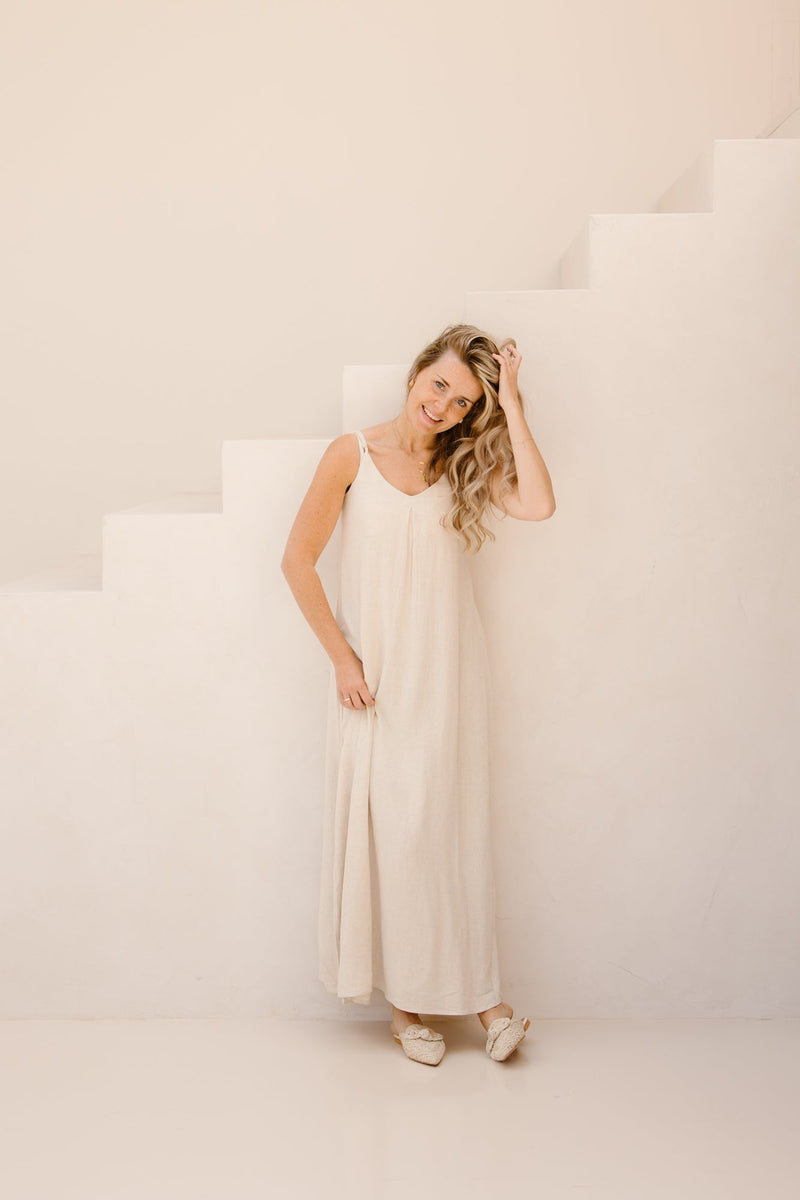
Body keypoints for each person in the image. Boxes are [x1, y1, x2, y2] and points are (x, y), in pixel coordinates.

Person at [281, 323, 556, 1065]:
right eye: (439, 385)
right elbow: (297, 562)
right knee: (395, 837)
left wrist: (512, 406)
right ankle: (406, 1012)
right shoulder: (351, 454)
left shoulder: (462, 463)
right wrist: (342, 660)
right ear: (415, 375)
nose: (444, 406)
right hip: (374, 683)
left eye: (464, 402)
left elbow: (538, 505)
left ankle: (487, 1003)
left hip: (449, 676)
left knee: (450, 834)